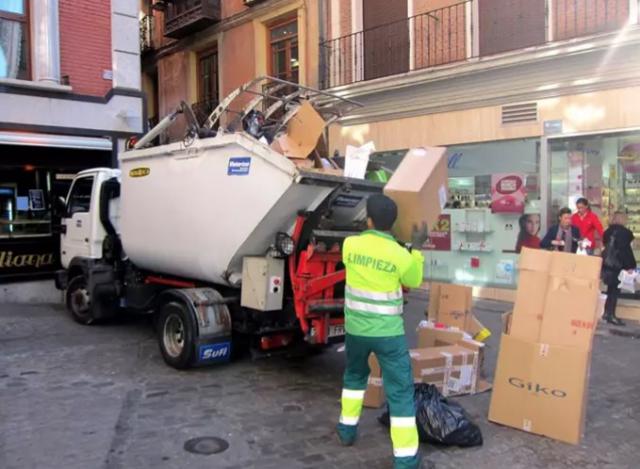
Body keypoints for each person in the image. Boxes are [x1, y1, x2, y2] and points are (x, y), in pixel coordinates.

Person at [336, 194, 428, 469]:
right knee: (400, 392)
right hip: (388, 334)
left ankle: (346, 430)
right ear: (394, 223)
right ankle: (405, 458)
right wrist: (417, 248)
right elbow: (414, 279)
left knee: (353, 377)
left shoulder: (350, 245)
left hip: (356, 330)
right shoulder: (400, 255)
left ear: (369, 219)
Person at [601, 211, 636, 326]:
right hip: (617, 265)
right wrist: (630, 266)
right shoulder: (625, 233)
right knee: (615, 291)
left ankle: (607, 313)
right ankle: (611, 315)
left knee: (610, 289)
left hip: (607, 264)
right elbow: (625, 251)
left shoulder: (608, 231)